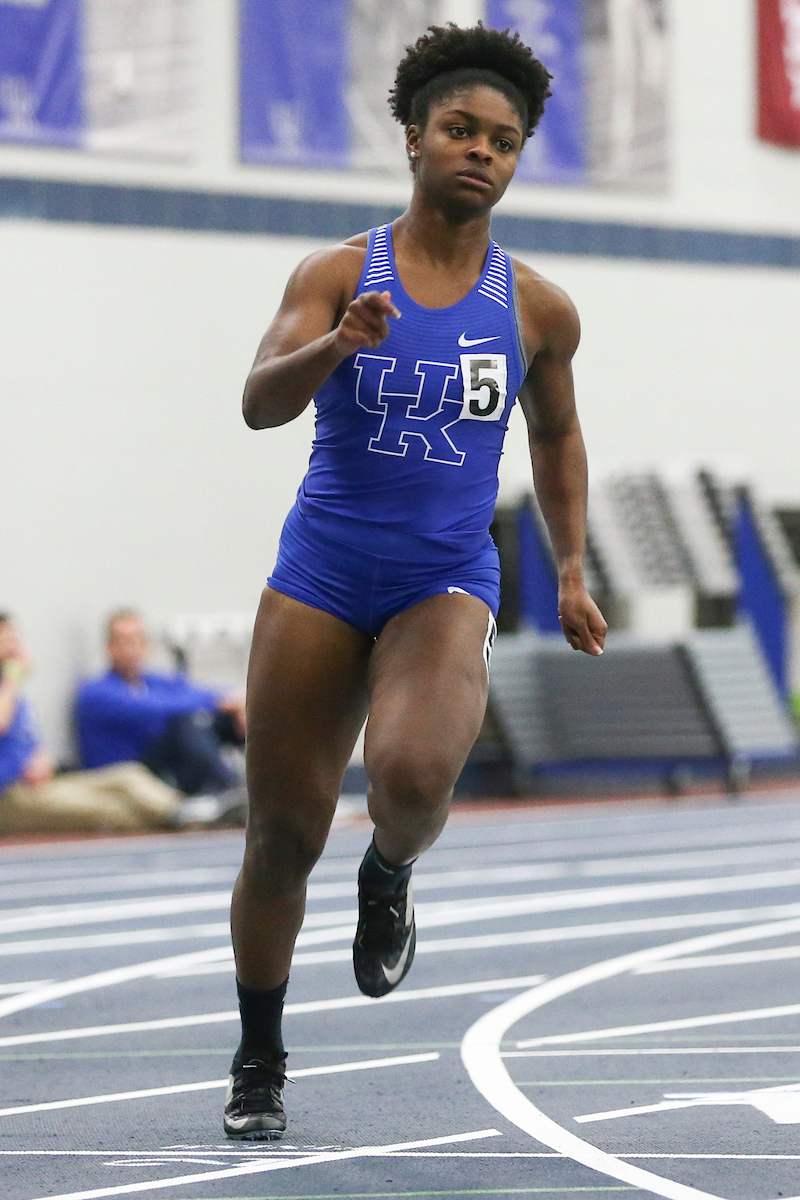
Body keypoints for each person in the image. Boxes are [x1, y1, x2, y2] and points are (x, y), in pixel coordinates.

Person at [223, 23, 607, 1140]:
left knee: (411, 773)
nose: (479, 152)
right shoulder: (339, 272)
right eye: (458, 130)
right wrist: (338, 343)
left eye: (502, 140)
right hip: (322, 575)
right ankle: (259, 1058)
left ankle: (389, 870)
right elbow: (257, 402)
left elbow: (558, 438)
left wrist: (571, 569)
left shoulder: (536, 307)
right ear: (412, 139)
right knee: (280, 835)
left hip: (443, 577)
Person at [0, 613, 179, 833]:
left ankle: (185, 809)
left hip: (35, 788)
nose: (13, 650)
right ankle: (176, 818)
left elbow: (25, 739)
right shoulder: (9, 688)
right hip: (7, 798)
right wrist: (13, 679)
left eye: (14, 641)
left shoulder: (10, 693)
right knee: (109, 809)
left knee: (128, 775)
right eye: (5, 642)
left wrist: (40, 758)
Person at [76, 610, 247, 813]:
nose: (130, 648)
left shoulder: (153, 681)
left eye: (137, 640)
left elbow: (192, 691)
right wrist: (220, 701)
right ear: (109, 647)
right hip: (128, 774)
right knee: (186, 722)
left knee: (224, 718)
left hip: (165, 766)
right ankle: (225, 789)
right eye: (122, 641)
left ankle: (265, 786)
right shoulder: (96, 692)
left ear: (147, 645)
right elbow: (154, 708)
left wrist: (239, 704)